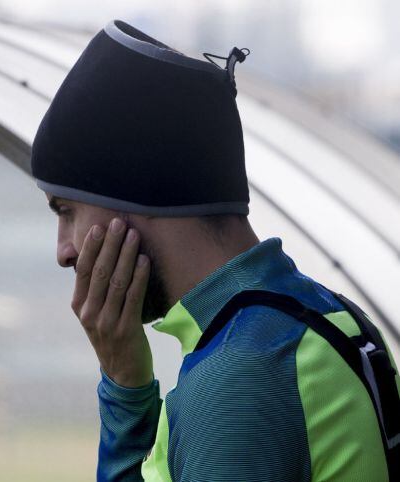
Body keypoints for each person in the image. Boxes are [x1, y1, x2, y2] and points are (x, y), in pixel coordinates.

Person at [31, 21, 400, 481]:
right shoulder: (318, 314)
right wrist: (125, 378)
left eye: (66, 210)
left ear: (129, 194)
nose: (64, 251)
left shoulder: (238, 375)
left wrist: (125, 410)